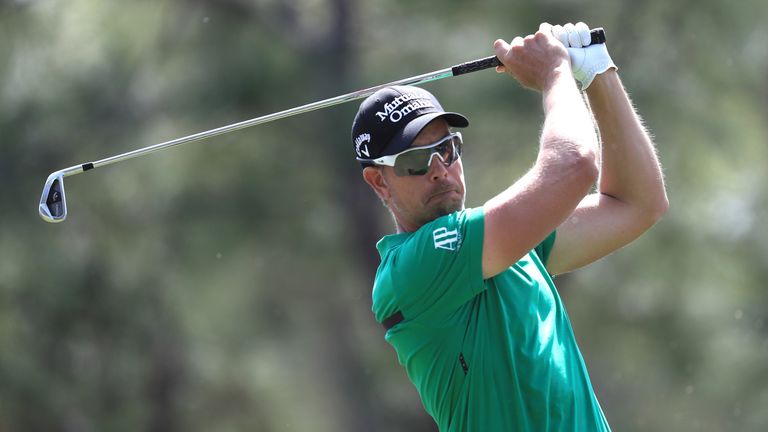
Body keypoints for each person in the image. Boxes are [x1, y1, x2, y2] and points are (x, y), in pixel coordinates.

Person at [351, 22, 668, 432]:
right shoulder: (410, 270)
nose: (439, 170)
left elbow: (637, 204)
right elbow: (574, 164)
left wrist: (596, 73)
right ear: (379, 182)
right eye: (415, 162)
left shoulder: (510, 244)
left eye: (446, 149)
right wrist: (555, 73)